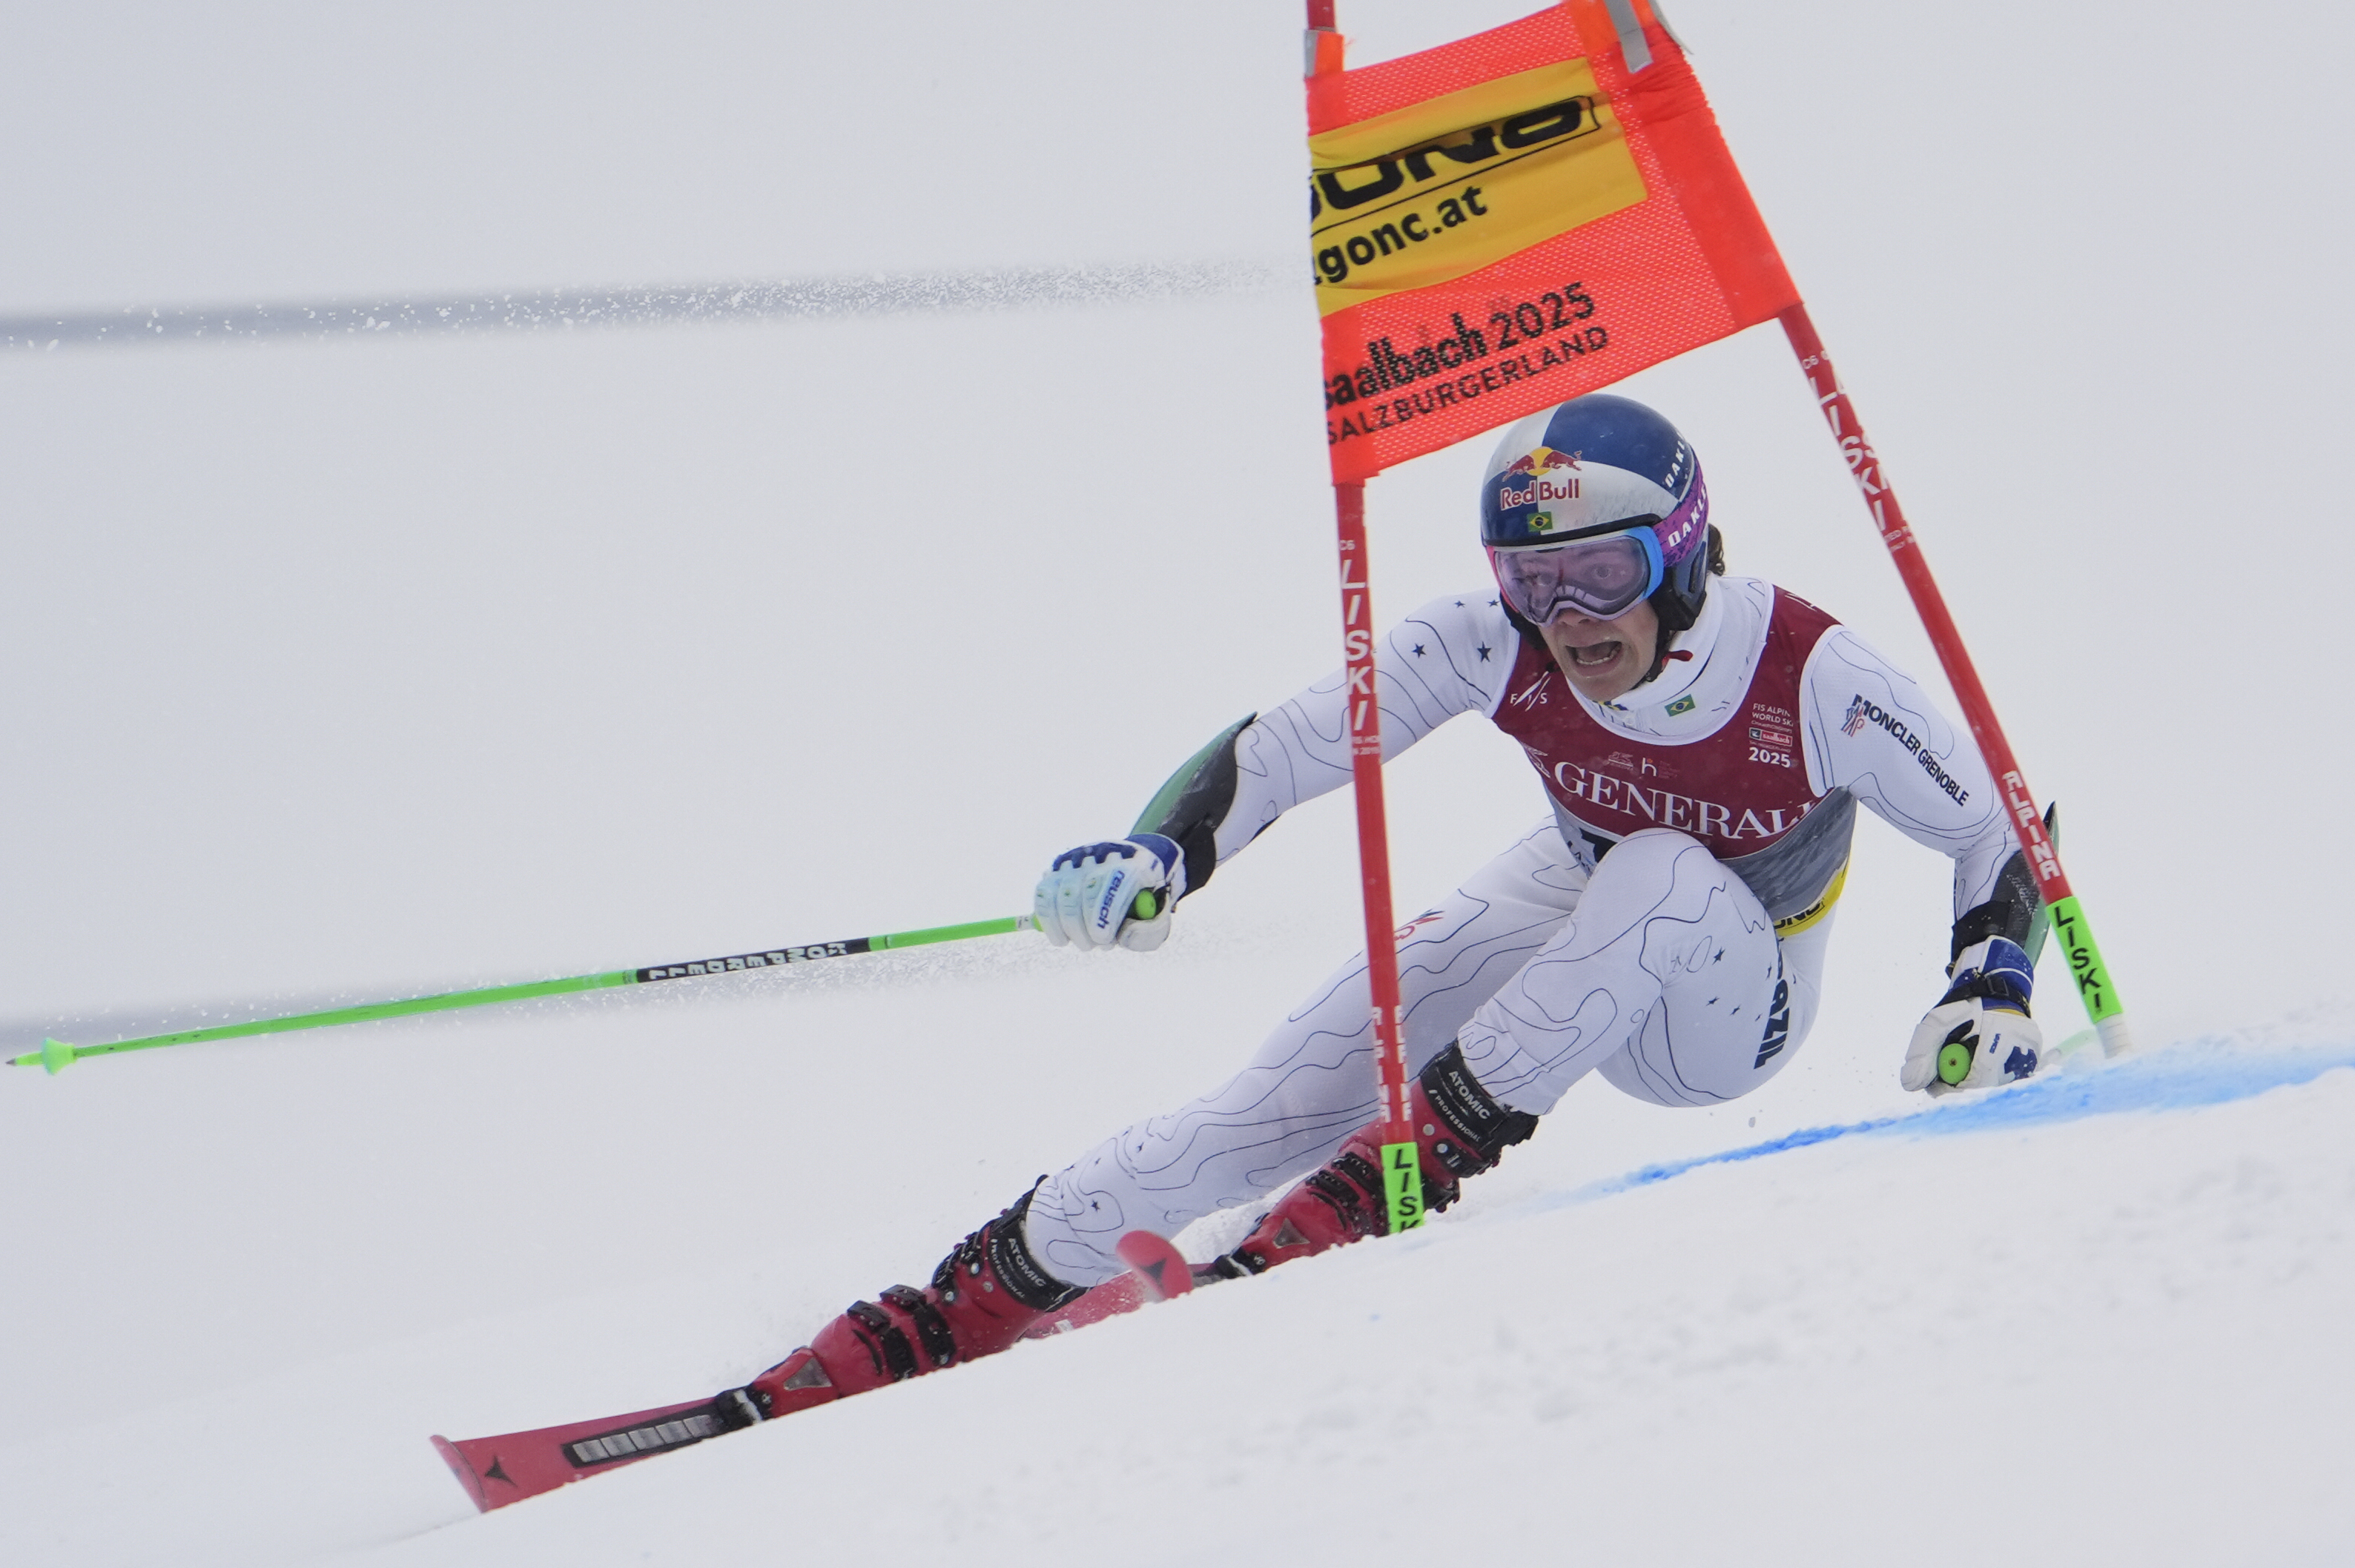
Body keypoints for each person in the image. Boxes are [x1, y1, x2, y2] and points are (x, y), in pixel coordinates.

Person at [724, 392, 2047, 1422]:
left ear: (1686, 553)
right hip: (1583, 906)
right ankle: (954, 1303)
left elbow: (1995, 817)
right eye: (1536, 583)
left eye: (1605, 574)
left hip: (1727, 1006)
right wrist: (1162, 854)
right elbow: (1290, 743)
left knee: (1663, 873)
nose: (1570, 619)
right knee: (1281, 1096)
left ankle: (1369, 1196)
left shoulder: (1813, 670)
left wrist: (1991, 984)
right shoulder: (1485, 640)